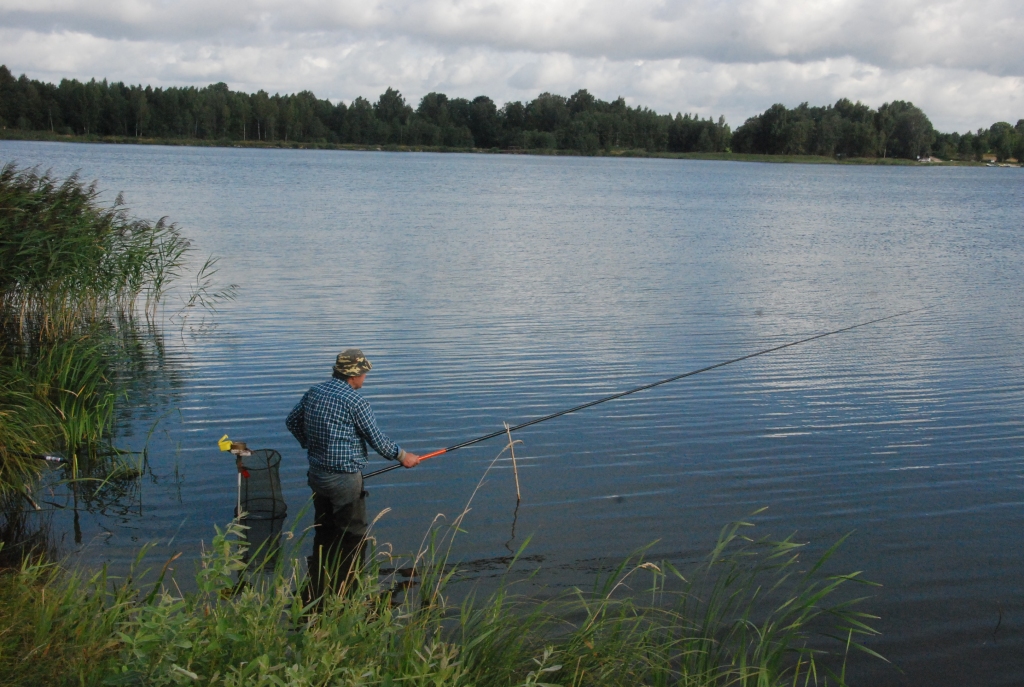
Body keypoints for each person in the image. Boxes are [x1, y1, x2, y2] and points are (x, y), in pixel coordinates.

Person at [286, 348, 420, 600]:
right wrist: (404, 457)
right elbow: (376, 440)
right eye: (364, 373)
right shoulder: (356, 402)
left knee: (324, 528)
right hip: (344, 479)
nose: (365, 378)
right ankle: (348, 591)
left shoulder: (315, 392)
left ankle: (320, 581)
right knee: (354, 534)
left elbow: (292, 421)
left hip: (317, 475)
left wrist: (310, 444)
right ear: (353, 375)